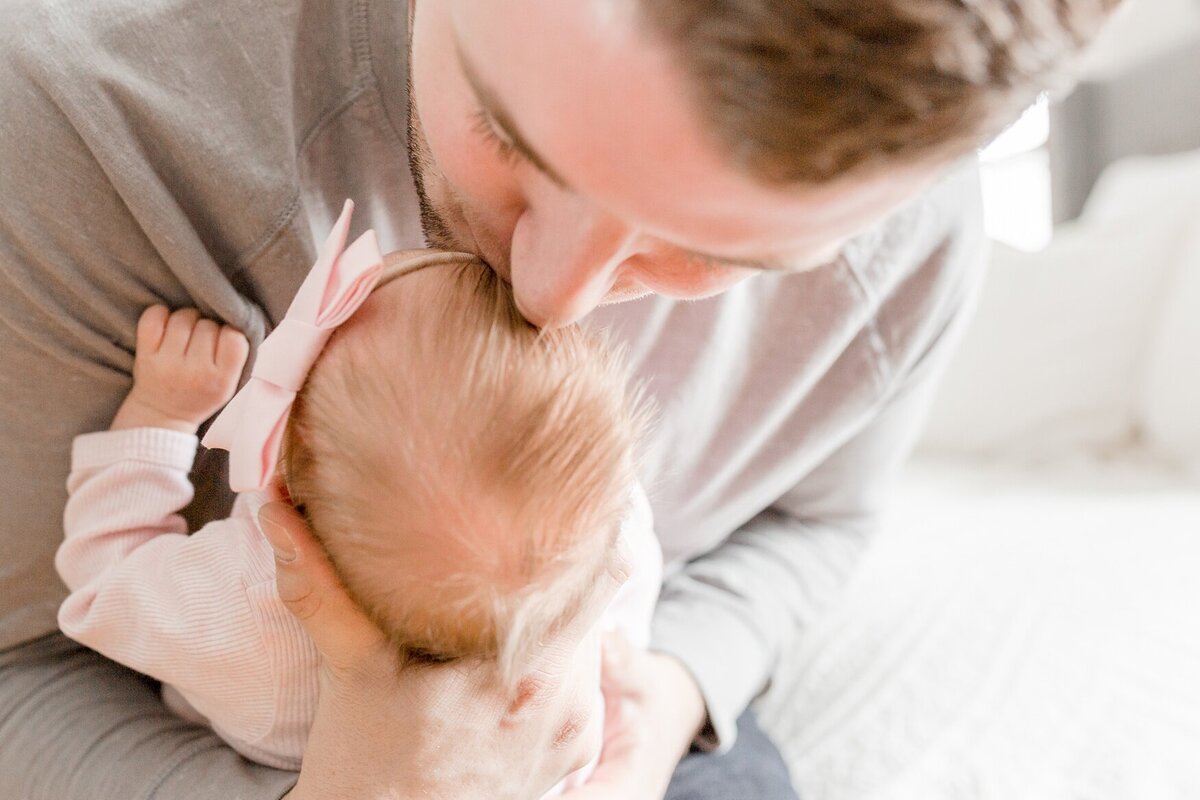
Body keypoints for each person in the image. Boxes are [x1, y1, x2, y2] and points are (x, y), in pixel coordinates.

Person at [0, 1, 1118, 799]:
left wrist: (673, 687)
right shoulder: (70, 127)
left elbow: (817, 521)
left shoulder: (907, 265)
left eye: (706, 248)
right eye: (504, 133)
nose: (552, 294)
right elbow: (21, 671)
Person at [51, 205, 662, 795]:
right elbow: (623, 633)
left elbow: (104, 580)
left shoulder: (240, 606)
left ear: (286, 482)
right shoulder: (614, 528)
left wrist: (160, 416)